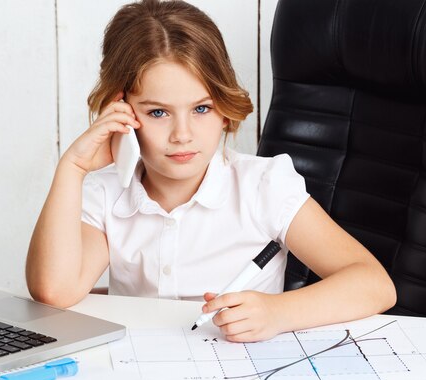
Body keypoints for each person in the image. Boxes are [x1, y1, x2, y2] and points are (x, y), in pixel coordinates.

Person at [26, 0, 396, 342]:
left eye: (201, 108)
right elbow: (54, 291)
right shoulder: (108, 193)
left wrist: (277, 313)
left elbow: (374, 284)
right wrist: (72, 168)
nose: (183, 135)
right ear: (122, 113)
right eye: (158, 112)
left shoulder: (263, 186)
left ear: (223, 106)